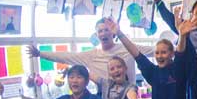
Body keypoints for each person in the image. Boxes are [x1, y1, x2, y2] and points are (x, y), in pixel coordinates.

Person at [26, 18, 154, 82]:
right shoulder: (92, 55)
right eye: (100, 31)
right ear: (97, 35)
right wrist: (40, 54)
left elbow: (153, 50)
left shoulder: (127, 48)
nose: (103, 33)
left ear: (113, 33)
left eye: (107, 30)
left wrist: (173, 51)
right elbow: (66, 56)